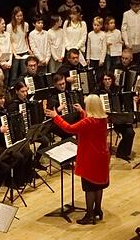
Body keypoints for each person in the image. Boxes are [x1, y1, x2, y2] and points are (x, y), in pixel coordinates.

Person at [45, 94, 110, 224]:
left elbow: (69, 129)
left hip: (90, 158)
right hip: (102, 156)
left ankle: (89, 215)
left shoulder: (88, 122)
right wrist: (81, 112)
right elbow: (91, 119)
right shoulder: (103, 118)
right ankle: (97, 210)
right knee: (98, 186)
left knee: (89, 187)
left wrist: (56, 117)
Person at [98, 74, 135, 161]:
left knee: (130, 132)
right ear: (102, 81)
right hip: (104, 119)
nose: (107, 81)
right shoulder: (98, 92)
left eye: (109, 79)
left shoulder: (118, 90)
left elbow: (126, 101)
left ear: (112, 80)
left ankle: (122, 152)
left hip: (118, 119)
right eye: (105, 79)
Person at [121, 0, 140, 74]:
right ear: (131, 5)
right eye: (135, 5)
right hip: (129, 44)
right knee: (127, 63)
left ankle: (137, 78)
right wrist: (126, 42)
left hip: (139, 44)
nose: (137, 7)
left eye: (138, 5)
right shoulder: (126, 14)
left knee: (137, 65)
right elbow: (124, 29)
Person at [7, 6, 30, 85]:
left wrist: (28, 48)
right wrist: (14, 53)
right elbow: (10, 41)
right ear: (14, 16)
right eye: (18, 16)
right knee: (14, 74)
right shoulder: (9, 26)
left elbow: (25, 37)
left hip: (24, 51)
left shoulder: (25, 25)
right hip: (15, 52)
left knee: (25, 73)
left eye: (21, 16)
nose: (20, 17)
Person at [0, 16, 13, 85]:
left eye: (4, 23)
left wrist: (10, 62)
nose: (4, 25)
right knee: (0, 82)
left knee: (6, 81)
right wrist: (2, 63)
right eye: (2, 24)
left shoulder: (7, 35)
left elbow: (10, 49)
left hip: (7, 62)